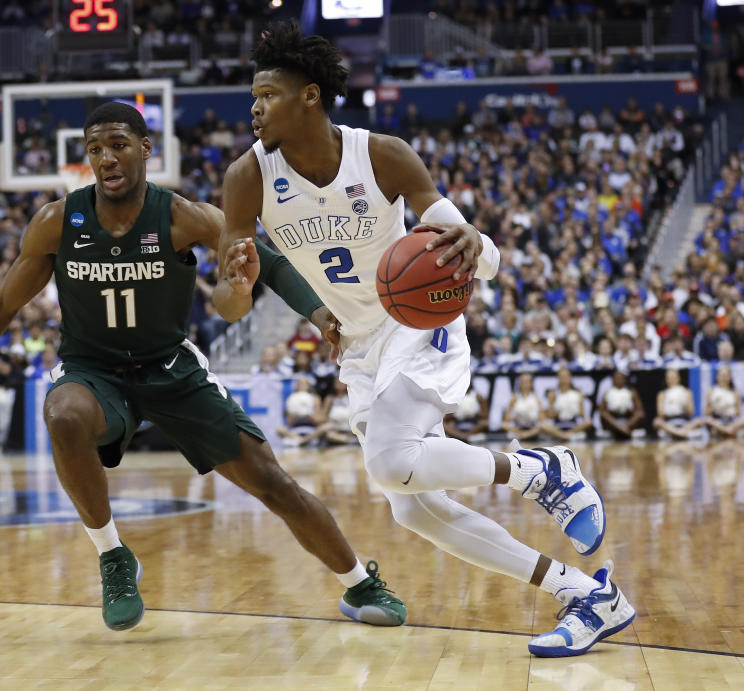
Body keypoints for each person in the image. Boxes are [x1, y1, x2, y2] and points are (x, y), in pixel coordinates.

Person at [0, 102, 405, 632]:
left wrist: (318, 312)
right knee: (63, 414)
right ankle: (113, 555)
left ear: (145, 149)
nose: (106, 158)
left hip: (171, 368)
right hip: (94, 372)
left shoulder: (183, 216)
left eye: (117, 144)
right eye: (95, 149)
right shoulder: (57, 222)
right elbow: (0, 307)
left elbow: (266, 260)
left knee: (271, 481)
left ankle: (358, 583)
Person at [216, 22, 634, 658]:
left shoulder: (380, 154)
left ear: (309, 96)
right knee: (413, 509)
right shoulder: (246, 179)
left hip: (417, 320)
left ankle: (541, 470)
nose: (254, 108)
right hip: (357, 346)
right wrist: (239, 287)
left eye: (266, 95)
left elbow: (482, 260)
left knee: (391, 461)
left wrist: (478, 243)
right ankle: (586, 596)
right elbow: (228, 305)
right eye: (252, 97)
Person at [540, 367, 593, 442]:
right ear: (558, 378)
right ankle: (566, 436)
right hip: (558, 425)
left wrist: (572, 410)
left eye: (566, 377)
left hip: (573, 425)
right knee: (543, 426)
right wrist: (556, 413)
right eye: (561, 377)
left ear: (570, 378)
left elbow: (582, 414)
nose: (564, 379)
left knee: (589, 422)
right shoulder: (553, 393)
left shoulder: (578, 393)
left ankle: (564, 435)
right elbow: (550, 415)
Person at [652, 368, 700, 440]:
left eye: (673, 377)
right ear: (666, 379)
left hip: (684, 421)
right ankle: (681, 433)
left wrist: (683, 403)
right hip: (669, 423)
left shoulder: (686, 392)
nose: (671, 379)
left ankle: (677, 433)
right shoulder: (662, 394)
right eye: (669, 378)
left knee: (698, 421)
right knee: (656, 421)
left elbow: (691, 412)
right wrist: (672, 408)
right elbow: (660, 413)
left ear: (678, 378)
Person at [598, 370, 645, 440]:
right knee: (604, 414)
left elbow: (639, 410)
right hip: (613, 420)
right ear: (613, 380)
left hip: (628, 419)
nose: (618, 380)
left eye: (620, 378)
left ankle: (623, 428)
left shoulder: (631, 392)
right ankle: (621, 429)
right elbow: (602, 410)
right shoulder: (607, 393)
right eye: (616, 378)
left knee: (640, 414)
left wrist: (630, 410)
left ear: (625, 380)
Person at [501, 373, 545, 442]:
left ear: (531, 384)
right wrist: (516, 417)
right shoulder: (514, 398)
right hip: (518, 428)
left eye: (526, 382)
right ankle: (522, 435)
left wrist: (533, 416)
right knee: (503, 425)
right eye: (522, 382)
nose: (524, 384)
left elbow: (542, 419)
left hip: (532, 427)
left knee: (543, 426)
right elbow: (507, 418)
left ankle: (524, 435)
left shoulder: (536, 398)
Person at [703, 365, 744, 439]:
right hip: (717, 421)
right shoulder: (712, 391)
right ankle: (727, 431)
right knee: (707, 420)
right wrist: (716, 406)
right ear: (717, 376)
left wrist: (727, 407)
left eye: (726, 375)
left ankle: (725, 430)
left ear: (730, 377)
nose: (724, 378)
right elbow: (706, 413)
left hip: (731, 420)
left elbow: (738, 413)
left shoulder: (735, 392)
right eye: (721, 375)